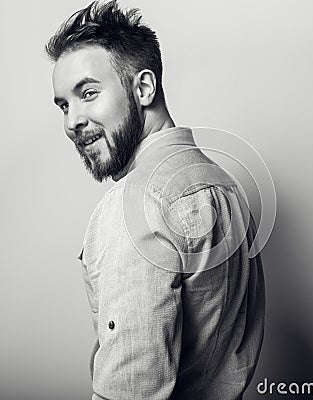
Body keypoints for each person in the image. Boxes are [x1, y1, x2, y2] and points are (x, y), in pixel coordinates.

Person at [47, 1, 265, 399]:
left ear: (143, 88)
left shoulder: (134, 207)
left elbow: (130, 389)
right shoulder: (226, 188)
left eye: (88, 93)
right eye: (64, 105)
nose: (71, 121)